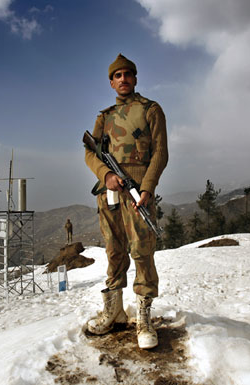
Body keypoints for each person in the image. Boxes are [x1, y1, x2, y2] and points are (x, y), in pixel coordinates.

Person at [84, 53, 168, 349]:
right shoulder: (104, 116)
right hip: (108, 193)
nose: (123, 79)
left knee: (143, 252)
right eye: (117, 76)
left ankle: (143, 319)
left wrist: (147, 188)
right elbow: (90, 152)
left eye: (127, 74)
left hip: (137, 193)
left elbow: (160, 152)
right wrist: (106, 174)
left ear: (135, 78)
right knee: (114, 251)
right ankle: (115, 312)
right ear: (111, 82)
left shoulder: (150, 109)